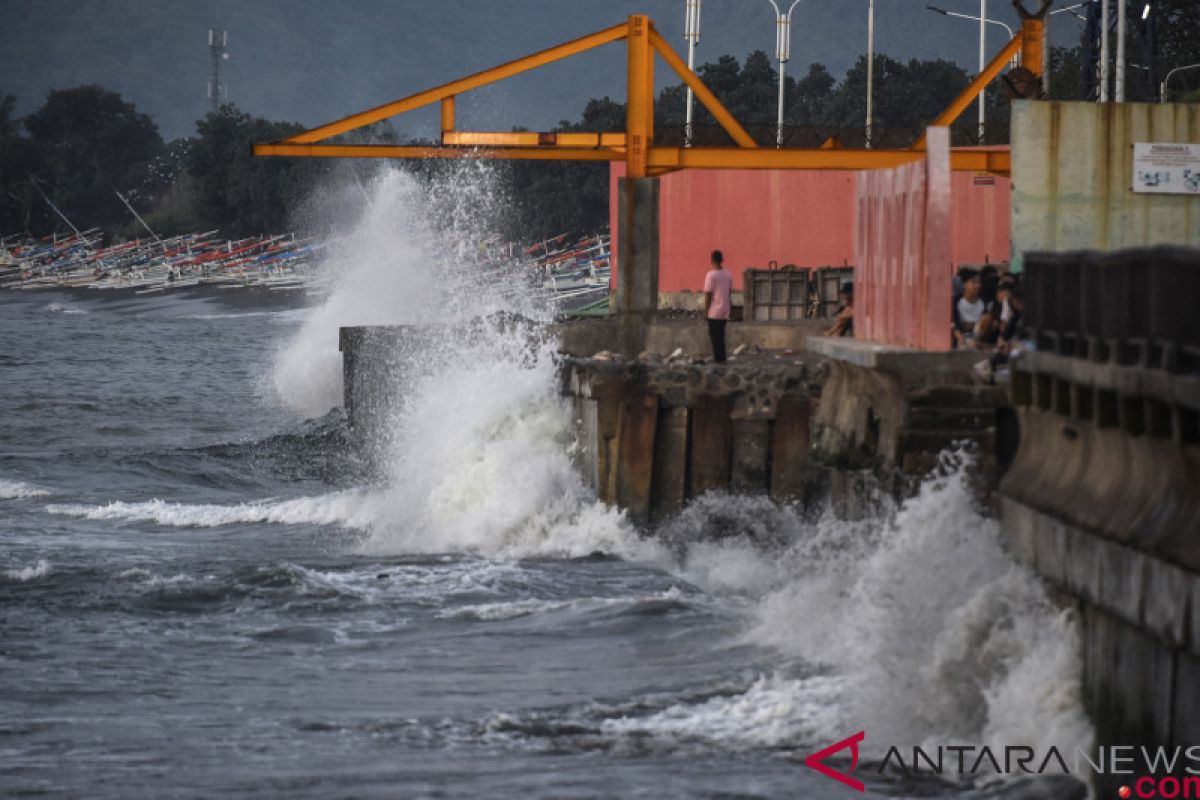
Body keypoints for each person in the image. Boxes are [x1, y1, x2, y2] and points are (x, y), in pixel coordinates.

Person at [703, 249, 733, 363]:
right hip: (724, 310)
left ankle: (718, 360)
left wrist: (706, 311)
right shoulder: (728, 274)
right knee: (721, 336)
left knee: (715, 337)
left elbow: (708, 294)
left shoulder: (710, 275)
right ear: (722, 260)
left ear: (712, 260)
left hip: (714, 312)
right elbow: (729, 292)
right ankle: (722, 358)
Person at [952, 267, 986, 348]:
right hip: (961, 338)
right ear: (964, 284)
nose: (977, 286)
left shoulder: (984, 303)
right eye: (973, 282)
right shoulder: (956, 302)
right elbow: (952, 323)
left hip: (979, 339)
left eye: (978, 282)